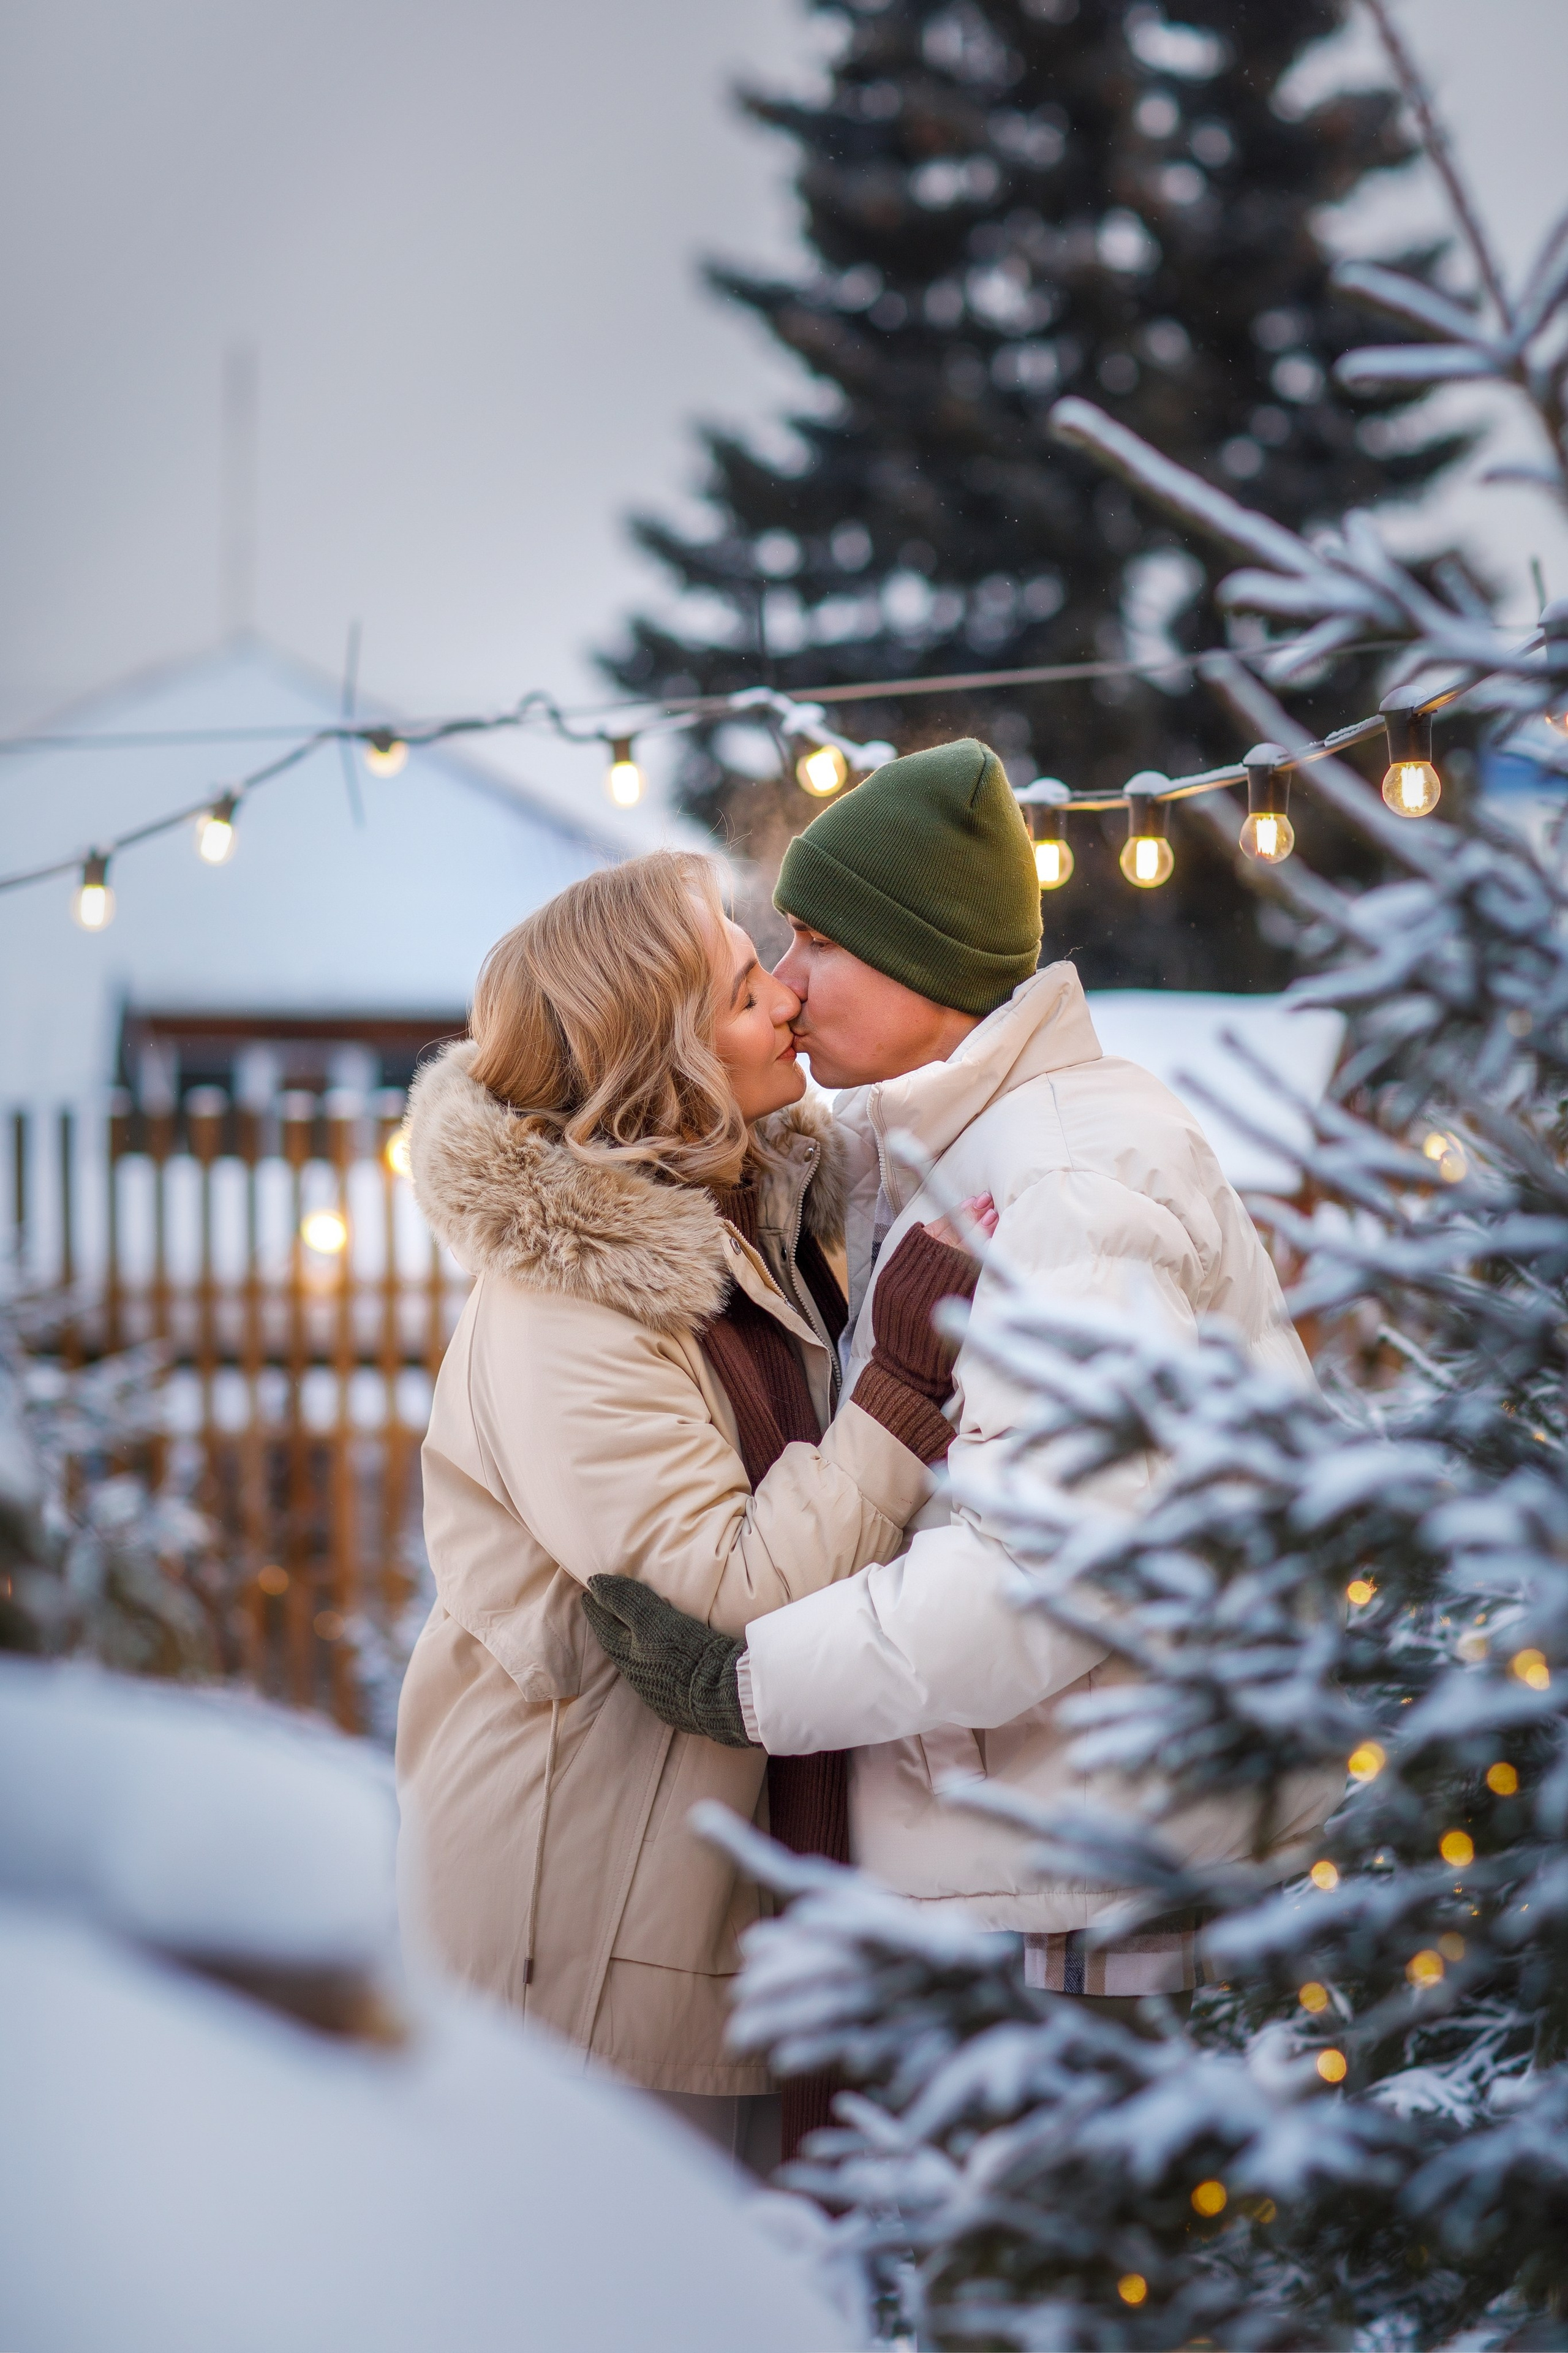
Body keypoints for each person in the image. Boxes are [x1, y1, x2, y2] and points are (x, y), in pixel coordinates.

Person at [584, 740, 1340, 2024]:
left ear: (920, 955)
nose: (783, 980)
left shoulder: (1064, 1182)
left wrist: (750, 1681)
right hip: (1037, 1860)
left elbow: (1042, 1571)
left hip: (1095, 1889)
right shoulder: (924, 1148)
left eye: (817, 942)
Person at [394, 848, 984, 2172]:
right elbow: (725, 1600)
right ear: (656, 1060)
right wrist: (897, 1386)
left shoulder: (747, 1216)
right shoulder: (566, 1299)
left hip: (699, 1872)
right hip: (585, 1917)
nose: (783, 995)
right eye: (735, 991)